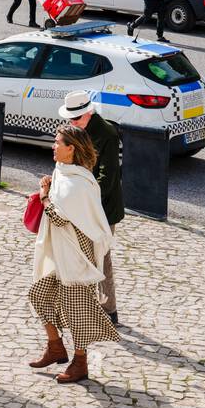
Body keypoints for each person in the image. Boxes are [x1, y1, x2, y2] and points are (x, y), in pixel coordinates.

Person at [27, 125, 119, 383]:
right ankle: (55, 347)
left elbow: (58, 217)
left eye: (58, 143)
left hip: (78, 257)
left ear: (72, 149)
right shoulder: (63, 173)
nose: (53, 146)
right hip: (60, 253)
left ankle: (80, 364)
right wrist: (49, 186)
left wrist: (44, 196)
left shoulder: (79, 184)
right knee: (38, 294)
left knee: (77, 311)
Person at [59, 91, 123, 325]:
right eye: (70, 119)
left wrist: (87, 198)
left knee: (101, 257)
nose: (72, 123)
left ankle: (109, 309)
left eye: (75, 119)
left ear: (88, 112)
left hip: (101, 207)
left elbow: (108, 175)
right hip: (83, 204)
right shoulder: (79, 131)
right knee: (81, 255)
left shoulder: (106, 133)